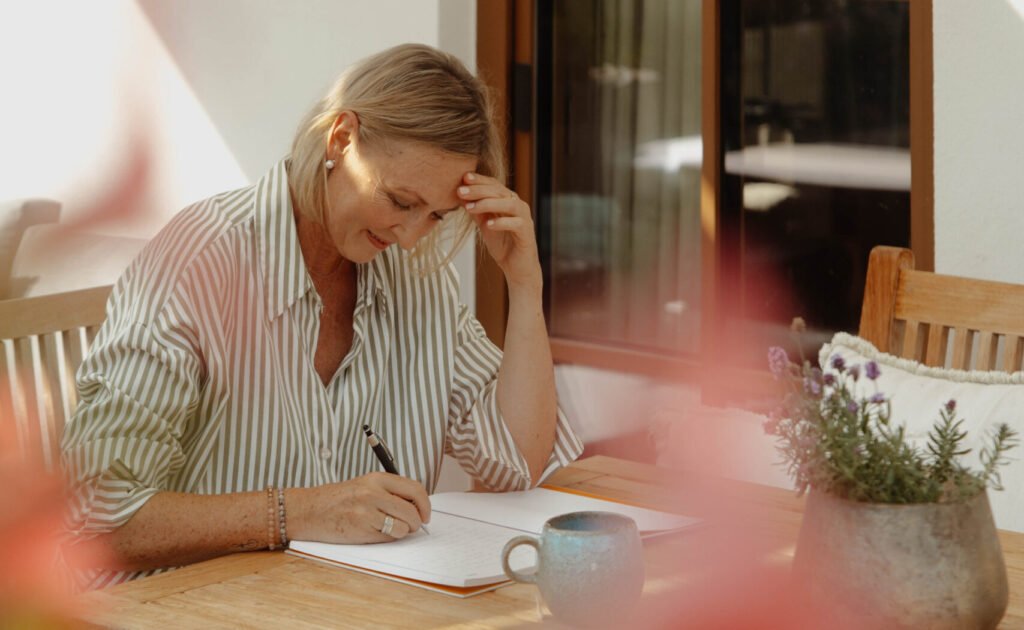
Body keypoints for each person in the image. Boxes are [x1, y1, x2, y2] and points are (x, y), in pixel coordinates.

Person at [61, 43, 583, 589]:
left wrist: (525, 286)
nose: (411, 237)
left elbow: (515, 462)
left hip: (330, 604)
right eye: (400, 201)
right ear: (341, 139)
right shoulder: (200, 261)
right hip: (180, 604)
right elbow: (91, 517)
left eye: (437, 216)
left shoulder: (418, 280)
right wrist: (297, 513)